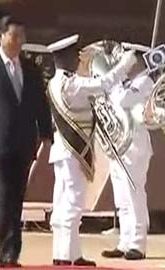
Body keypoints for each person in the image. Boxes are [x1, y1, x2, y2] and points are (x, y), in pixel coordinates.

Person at [0, 15, 53, 268]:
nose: (18, 41)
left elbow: (40, 103)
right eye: (13, 36)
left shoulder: (30, 68)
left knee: (17, 198)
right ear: (0, 36)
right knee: (4, 195)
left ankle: (13, 252)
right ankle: (5, 253)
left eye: (21, 37)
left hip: (24, 142)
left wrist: (46, 133)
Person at [47, 34, 137, 266]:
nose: (79, 59)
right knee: (73, 205)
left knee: (62, 204)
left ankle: (67, 254)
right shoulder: (71, 84)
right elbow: (105, 83)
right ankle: (66, 257)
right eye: (75, 55)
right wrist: (127, 62)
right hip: (73, 152)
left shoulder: (56, 81)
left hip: (63, 152)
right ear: (65, 58)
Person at [101, 42, 154, 260]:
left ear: (138, 59)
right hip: (118, 145)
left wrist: (118, 79)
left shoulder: (145, 81)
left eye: (128, 57)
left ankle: (138, 244)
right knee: (121, 197)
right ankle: (124, 241)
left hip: (135, 146)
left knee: (134, 194)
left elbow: (123, 100)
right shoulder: (127, 83)